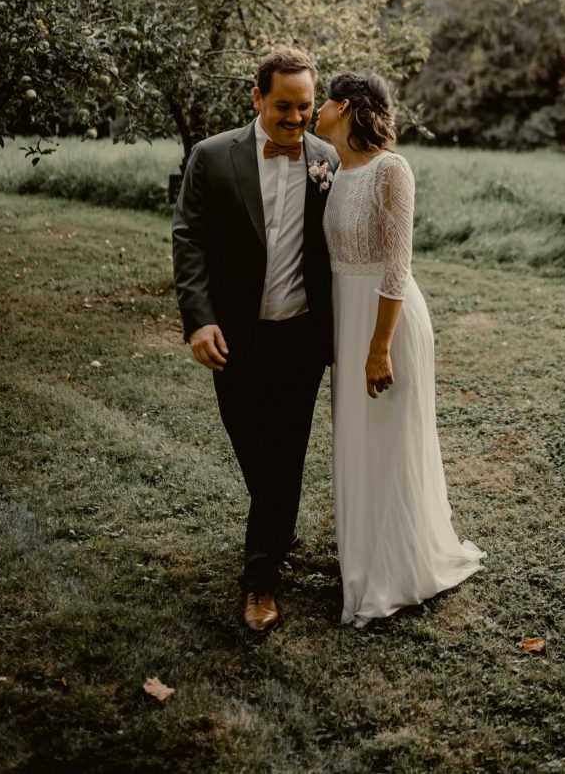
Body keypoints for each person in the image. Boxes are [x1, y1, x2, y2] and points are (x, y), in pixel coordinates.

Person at [172, 46, 339, 635]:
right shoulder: (213, 157)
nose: (296, 121)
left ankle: (261, 580)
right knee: (253, 447)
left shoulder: (327, 160)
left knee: (285, 454)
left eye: (306, 108)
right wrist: (199, 318)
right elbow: (189, 238)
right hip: (235, 337)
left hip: (301, 337)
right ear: (257, 98)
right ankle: (277, 524)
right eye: (284, 108)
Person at [315, 71, 485, 627]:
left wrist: (379, 347)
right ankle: (361, 556)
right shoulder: (336, 169)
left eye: (323, 100)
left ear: (343, 107)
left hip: (387, 322)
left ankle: (396, 568)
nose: (316, 109)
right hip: (348, 317)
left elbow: (397, 265)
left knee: (389, 442)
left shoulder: (392, 169)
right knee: (358, 440)